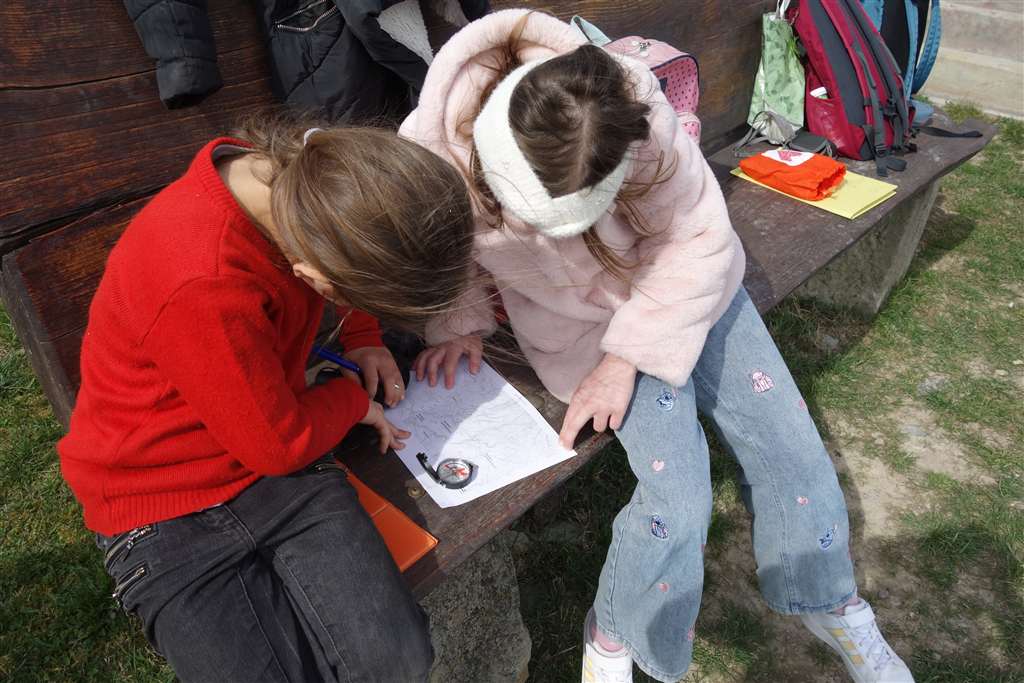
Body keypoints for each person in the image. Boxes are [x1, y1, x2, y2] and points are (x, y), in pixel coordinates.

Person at [402, 10, 914, 683]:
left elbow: (697, 235)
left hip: (690, 289)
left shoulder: (629, 102)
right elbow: (446, 247)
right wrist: (460, 323)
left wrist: (628, 358)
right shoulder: (433, 149)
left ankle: (829, 598)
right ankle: (615, 631)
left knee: (790, 444)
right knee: (679, 499)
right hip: (578, 329)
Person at [57, 118, 476, 682]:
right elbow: (279, 445)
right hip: (161, 502)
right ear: (311, 274)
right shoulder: (203, 281)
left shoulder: (303, 176)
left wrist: (364, 336)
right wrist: (352, 400)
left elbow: (350, 237)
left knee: (397, 662)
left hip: (271, 458)